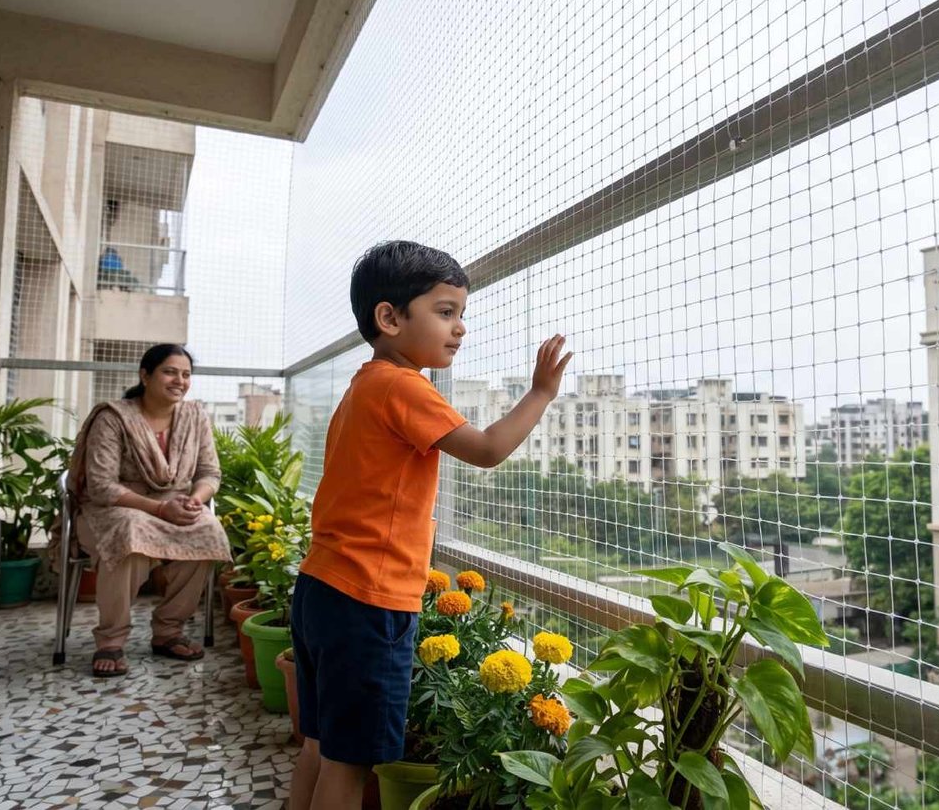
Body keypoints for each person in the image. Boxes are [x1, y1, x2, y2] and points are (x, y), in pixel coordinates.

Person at [289, 241, 572, 810]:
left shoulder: (363, 386)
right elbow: (489, 449)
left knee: (320, 743)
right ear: (389, 318)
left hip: (322, 587)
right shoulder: (402, 385)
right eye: (445, 312)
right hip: (368, 599)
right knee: (351, 764)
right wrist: (541, 392)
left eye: (461, 313)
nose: (460, 328)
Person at [65, 343, 231, 677]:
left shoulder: (195, 416)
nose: (179, 381)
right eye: (170, 371)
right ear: (145, 375)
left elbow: (209, 473)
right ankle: (110, 640)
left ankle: (168, 631)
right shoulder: (113, 418)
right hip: (113, 509)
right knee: (130, 533)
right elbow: (101, 485)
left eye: (186, 374)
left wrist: (196, 499)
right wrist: (158, 508)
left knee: (207, 529)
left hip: (175, 504)